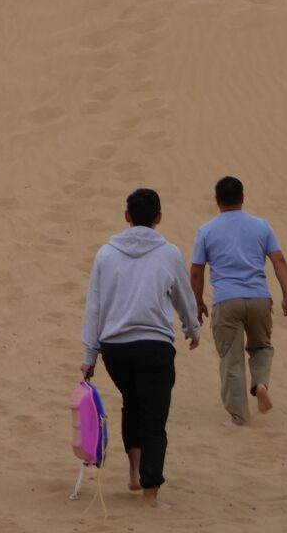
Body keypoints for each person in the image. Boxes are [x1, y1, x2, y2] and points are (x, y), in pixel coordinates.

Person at [81, 188, 199, 508]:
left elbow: (94, 306)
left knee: (132, 404)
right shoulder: (169, 253)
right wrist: (192, 328)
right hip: (154, 346)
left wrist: (90, 355)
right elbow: (183, 296)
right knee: (154, 419)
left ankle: (134, 473)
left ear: (127, 216)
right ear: (158, 217)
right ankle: (151, 493)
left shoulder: (106, 253)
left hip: (115, 350)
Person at [190, 175, 287, 426]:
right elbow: (279, 260)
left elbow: (196, 271)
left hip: (227, 300)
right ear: (243, 198)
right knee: (261, 347)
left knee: (231, 357)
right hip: (259, 297)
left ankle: (238, 416)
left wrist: (198, 301)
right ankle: (260, 383)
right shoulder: (261, 226)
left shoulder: (206, 230)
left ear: (217, 200)